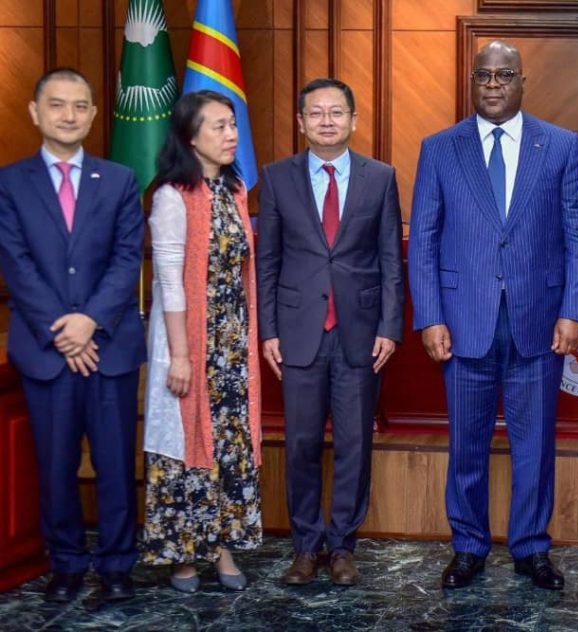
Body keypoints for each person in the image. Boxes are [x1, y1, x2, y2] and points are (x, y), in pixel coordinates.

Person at [408, 40, 578, 591]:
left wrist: (574, 312)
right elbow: (423, 240)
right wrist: (429, 316)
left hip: (538, 321)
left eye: (504, 75)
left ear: (522, 82)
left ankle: (531, 548)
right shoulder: (440, 148)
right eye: (484, 75)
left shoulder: (559, 145)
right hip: (463, 321)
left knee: (533, 446)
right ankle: (468, 546)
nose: (493, 84)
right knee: (466, 446)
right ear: (472, 82)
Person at [0, 68, 145, 603]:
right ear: (35, 112)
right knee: (55, 464)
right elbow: (15, 261)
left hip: (110, 347)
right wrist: (63, 330)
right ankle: (65, 564)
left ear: (93, 114)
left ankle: (117, 566)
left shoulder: (121, 179)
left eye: (80, 106)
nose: (69, 115)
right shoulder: (9, 182)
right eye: (57, 105)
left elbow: (128, 258)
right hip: (46, 351)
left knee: (115, 464)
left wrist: (90, 322)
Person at [256, 78, 403, 587]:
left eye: (336, 112)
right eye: (316, 113)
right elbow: (267, 260)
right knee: (299, 443)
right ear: (300, 122)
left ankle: (341, 545)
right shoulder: (277, 178)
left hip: (360, 333)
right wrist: (268, 330)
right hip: (297, 333)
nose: (326, 121)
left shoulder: (380, 177)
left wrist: (390, 326)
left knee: (353, 444)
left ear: (353, 120)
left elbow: (390, 260)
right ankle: (305, 546)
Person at [140, 90, 263, 592]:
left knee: (228, 447)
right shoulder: (172, 195)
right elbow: (169, 282)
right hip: (190, 343)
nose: (232, 135)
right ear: (191, 137)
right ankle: (184, 555)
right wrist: (181, 355)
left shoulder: (234, 190)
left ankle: (223, 547)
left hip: (232, 345)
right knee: (186, 449)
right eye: (219, 126)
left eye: (233, 124)